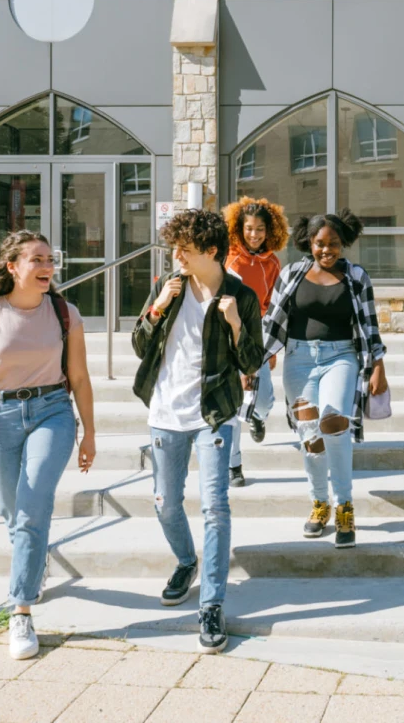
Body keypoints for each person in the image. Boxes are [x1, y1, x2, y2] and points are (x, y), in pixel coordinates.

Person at [0, 230, 96, 660]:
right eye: (36, 259)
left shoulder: (64, 313)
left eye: (49, 260)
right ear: (12, 267)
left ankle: (21, 613)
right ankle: (32, 563)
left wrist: (89, 432)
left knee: (33, 507)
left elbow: (79, 378)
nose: (46, 267)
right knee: (12, 511)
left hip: (52, 412)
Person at [132, 207, 264, 653]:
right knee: (166, 503)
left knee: (215, 506)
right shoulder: (166, 288)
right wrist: (159, 307)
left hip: (214, 414)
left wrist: (235, 324)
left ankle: (211, 604)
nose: (176, 256)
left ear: (211, 252)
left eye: (184, 250)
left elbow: (251, 362)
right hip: (165, 413)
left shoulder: (239, 296)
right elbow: (138, 344)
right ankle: (187, 561)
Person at [262, 210, 388, 548]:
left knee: (334, 422)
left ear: (343, 243)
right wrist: (255, 363)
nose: (326, 250)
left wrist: (378, 366)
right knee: (309, 433)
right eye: (320, 244)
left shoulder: (356, 277)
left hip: (341, 357)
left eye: (333, 244)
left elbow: (370, 326)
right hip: (299, 360)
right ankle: (320, 504)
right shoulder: (291, 274)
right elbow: (272, 321)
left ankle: (344, 506)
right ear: (309, 243)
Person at [222, 196, 289, 487]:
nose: (254, 234)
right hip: (230, 330)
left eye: (260, 229)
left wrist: (270, 347)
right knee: (234, 403)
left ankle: (258, 416)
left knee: (264, 399)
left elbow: (274, 304)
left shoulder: (273, 262)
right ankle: (233, 465)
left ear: (269, 230)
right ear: (239, 227)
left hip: (259, 332)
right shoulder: (228, 258)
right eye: (249, 228)